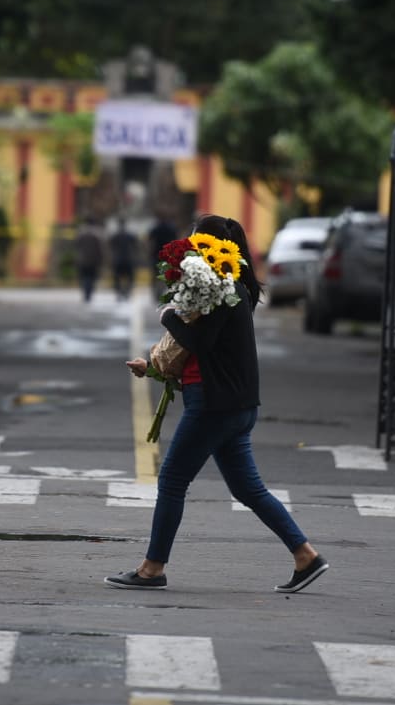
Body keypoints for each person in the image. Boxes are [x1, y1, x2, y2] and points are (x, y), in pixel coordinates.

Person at [106, 213, 329, 593]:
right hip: (235, 407)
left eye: (194, 242)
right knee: (248, 490)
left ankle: (151, 569)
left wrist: (169, 316)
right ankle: (305, 556)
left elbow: (199, 343)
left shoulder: (224, 292)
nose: (190, 250)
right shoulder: (225, 289)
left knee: (173, 481)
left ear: (209, 246)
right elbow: (203, 352)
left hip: (213, 406)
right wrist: (155, 367)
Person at [74, 218, 104, 302]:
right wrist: (101, 259)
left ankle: (85, 293)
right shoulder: (97, 234)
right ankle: (89, 293)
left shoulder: (81, 233)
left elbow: (76, 246)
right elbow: (100, 249)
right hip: (94, 260)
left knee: (83, 278)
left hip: (82, 260)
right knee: (92, 278)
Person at [108, 218, 138, 300]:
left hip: (118, 259)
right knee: (130, 277)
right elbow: (135, 246)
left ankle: (119, 292)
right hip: (128, 259)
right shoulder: (130, 235)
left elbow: (111, 247)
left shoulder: (115, 236)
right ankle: (127, 291)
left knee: (117, 277)